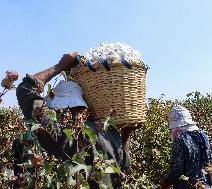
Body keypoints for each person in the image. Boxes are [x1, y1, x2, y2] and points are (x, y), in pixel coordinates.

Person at [14, 52, 131, 188]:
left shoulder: (65, 137)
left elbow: (25, 90)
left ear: (61, 110)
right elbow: (125, 168)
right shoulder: (111, 132)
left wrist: (59, 66)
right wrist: (126, 134)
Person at [161, 105, 211, 189]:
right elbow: (209, 163)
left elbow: (176, 171)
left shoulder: (180, 139)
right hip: (205, 186)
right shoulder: (202, 135)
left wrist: (165, 181)